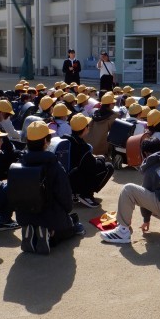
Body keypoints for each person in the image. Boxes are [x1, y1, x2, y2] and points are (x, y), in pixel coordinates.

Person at [100, 138, 160, 244]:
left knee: (128, 189)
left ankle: (122, 231)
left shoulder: (152, 167)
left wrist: (146, 220)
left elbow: (144, 200)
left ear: (145, 153)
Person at [17, 121, 85, 254]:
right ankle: (49, 233)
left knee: (41, 219)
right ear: (45, 142)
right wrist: (67, 213)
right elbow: (65, 195)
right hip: (50, 215)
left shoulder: (20, 163)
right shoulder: (54, 165)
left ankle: (32, 231)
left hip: (24, 215)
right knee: (73, 226)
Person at [64, 113, 114, 208]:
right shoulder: (82, 146)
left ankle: (74, 193)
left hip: (65, 180)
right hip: (75, 180)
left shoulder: (66, 139)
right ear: (85, 128)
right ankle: (86, 195)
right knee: (108, 167)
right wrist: (101, 158)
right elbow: (93, 166)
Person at [86, 92, 119, 157]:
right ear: (110, 104)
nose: (114, 105)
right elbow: (116, 133)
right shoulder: (113, 116)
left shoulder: (95, 113)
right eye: (113, 103)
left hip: (89, 146)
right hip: (101, 149)